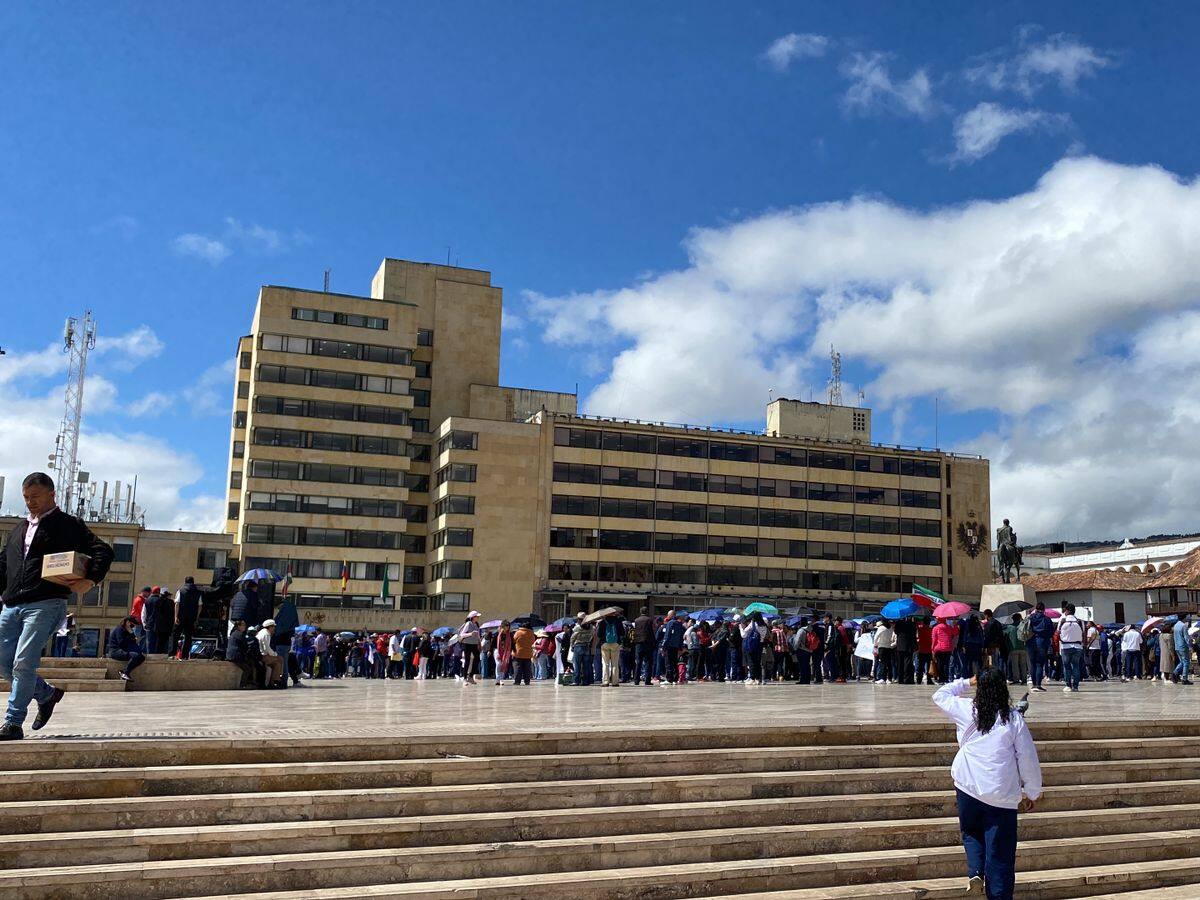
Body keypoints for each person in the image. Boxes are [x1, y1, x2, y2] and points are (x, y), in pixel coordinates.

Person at [0, 472, 115, 740]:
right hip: (12, 604)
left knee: (23, 663)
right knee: (3, 662)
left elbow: (103, 550)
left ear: (52, 494)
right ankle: (47, 694)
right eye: (26, 498)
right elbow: (4, 565)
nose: (30, 503)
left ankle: (13, 723)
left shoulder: (68, 525)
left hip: (46, 603)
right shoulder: (18, 529)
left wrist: (90, 579)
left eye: (35, 497)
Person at [933, 668, 1042, 900]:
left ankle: (975, 871)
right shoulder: (1013, 718)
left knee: (971, 832)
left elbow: (940, 695)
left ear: (979, 689)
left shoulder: (966, 710)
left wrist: (966, 682)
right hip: (1000, 794)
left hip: (967, 786)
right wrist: (1032, 791)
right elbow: (1027, 757)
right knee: (1000, 852)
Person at [1024, 603, 1055, 692]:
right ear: (1044, 609)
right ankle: (1038, 684)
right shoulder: (1047, 619)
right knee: (1039, 664)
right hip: (1042, 642)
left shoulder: (1030, 618)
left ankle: (1033, 685)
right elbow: (1051, 632)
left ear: (1036, 609)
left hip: (1030, 642)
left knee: (1032, 664)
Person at [107, 616, 146, 682]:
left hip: (123, 650)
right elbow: (121, 643)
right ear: (127, 622)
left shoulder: (127, 630)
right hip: (115, 651)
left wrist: (133, 637)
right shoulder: (120, 629)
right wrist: (131, 634)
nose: (133, 627)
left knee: (142, 657)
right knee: (135, 656)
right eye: (132, 624)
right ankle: (125, 673)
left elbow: (132, 641)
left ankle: (125, 672)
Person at [1057, 603, 1084, 693]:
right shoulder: (1080, 621)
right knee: (1076, 666)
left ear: (1067, 611)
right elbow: (1083, 633)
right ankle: (1076, 686)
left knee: (1067, 666)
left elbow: (1057, 632)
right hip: (1078, 646)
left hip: (1065, 646)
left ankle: (1068, 685)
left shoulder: (1062, 620)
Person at [225, 619, 258, 688]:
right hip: (235, 656)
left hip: (234, 655)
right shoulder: (239, 634)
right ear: (238, 626)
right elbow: (245, 646)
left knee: (251, 663)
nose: (245, 626)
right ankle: (242, 685)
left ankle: (250, 683)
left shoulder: (235, 633)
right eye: (243, 625)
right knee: (247, 669)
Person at [740, 612, 767, 685]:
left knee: (751, 662)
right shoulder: (764, 625)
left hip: (752, 645)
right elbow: (763, 636)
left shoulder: (753, 624)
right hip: (760, 645)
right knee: (757, 662)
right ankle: (758, 679)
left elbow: (744, 634)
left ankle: (752, 678)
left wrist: (741, 628)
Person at [631, 607, 656, 686]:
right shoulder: (649, 620)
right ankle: (647, 680)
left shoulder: (636, 620)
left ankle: (636, 680)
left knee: (638, 662)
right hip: (648, 643)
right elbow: (651, 632)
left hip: (638, 643)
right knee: (648, 662)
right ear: (647, 612)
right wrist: (653, 642)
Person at [256, 619, 285, 687]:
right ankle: (277, 680)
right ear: (270, 627)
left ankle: (273, 681)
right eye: (273, 627)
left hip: (261, 655)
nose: (274, 628)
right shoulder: (266, 634)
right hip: (262, 656)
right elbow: (267, 648)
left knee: (277, 663)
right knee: (280, 659)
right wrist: (275, 655)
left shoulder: (262, 632)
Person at [597, 612, 623, 686]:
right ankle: (615, 682)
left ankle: (606, 681)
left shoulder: (602, 622)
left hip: (605, 644)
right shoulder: (618, 621)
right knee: (615, 664)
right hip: (615, 643)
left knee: (606, 663)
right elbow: (622, 633)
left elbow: (599, 634)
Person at [457, 611, 482, 685]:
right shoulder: (468, 624)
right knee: (467, 661)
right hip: (467, 644)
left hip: (474, 644)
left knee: (477, 659)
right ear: (472, 617)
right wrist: (470, 634)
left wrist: (479, 643)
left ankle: (471, 676)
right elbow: (462, 634)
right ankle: (465, 678)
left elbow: (478, 635)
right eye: (476, 616)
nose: (478, 617)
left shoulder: (476, 624)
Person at [570, 614, 595, 686]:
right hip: (586, 646)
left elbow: (573, 638)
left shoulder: (577, 627)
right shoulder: (591, 627)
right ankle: (585, 681)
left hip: (578, 646)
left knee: (577, 665)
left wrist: (572, 646)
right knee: (586, 665)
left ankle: (576, 681)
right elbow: (592, 636)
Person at [932, 617, 959, 684]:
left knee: (939, 664)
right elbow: (956, 632)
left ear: (938, 620)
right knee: (946, 664)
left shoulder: (936, 628)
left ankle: (941, 679)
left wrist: (932, 648)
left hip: (939, 648)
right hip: (948, 648)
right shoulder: (949, 627)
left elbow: (934, 640)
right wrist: (955, 625)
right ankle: (946, 679)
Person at [1005, 614, 1029, 686]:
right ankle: (1024, 679)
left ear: (1013, 619)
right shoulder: (1023, 626)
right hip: (1023, 647)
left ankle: (1016, 679)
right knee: (1023, 664)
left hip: (1013, 648)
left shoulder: (1010, 627)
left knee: (1015, 665)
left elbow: (1006, 637)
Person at [512, 621, 535, 686]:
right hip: (528, 654)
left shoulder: (518, 633)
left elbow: (513, 641)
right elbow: (533, 642)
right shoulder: (531, 634)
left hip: (518, 653)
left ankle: (517, 681)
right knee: (527, 669)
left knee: (517, 668)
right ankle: (527, 681)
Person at [873, 619, 895, 683]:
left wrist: (875, 645)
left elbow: (876, 637)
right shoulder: (890, 628)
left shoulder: (881, 628)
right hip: (889, 647)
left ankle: (883, 678)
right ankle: (889, 678)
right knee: (889, 663)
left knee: (882, 663)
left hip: (882, 647)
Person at [1174, 615, 1194, 685]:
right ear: (1184, 618)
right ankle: (1184, 679)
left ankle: (1175, 673)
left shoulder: (1176, 625)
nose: (1187, 619)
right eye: (1186, 617)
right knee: (1186, 662)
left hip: (1177, 646)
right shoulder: (1183, 626)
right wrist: (1190, 646)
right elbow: (1186, 637)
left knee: (1182, 662)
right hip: (1183, 646)